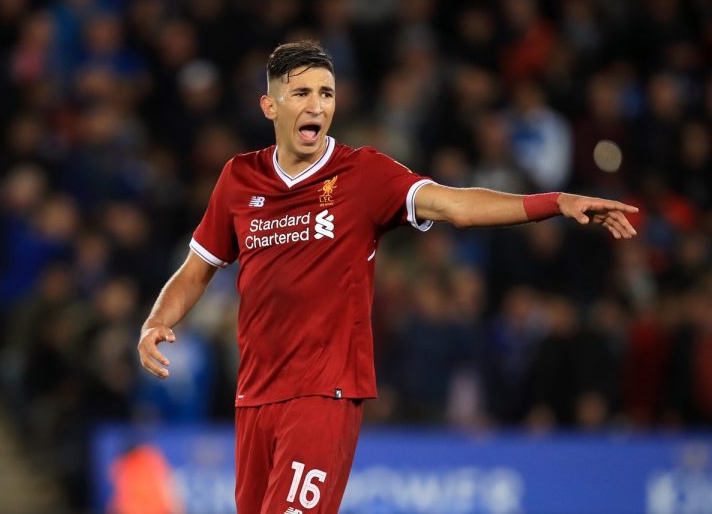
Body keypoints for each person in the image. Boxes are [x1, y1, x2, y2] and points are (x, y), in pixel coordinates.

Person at [137, 40, 638, 514]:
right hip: (254, 396)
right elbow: (198, 268)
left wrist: (556, 202)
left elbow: (456, 206)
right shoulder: (239, 178)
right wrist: (157, 320)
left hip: (324, 394)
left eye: (326, 93)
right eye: (302, 93)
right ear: (270, 106)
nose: (317, 105)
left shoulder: (363, 174)